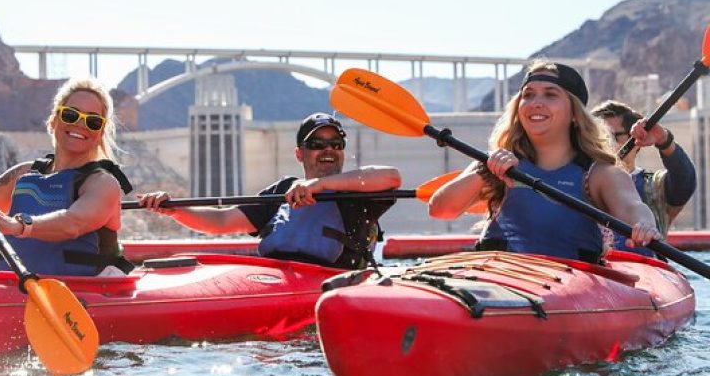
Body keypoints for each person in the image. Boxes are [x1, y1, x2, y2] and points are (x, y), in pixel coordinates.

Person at [428, 60, 660, 262]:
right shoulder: (497, 162)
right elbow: (440, 209)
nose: (536, 102)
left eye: (551, 94)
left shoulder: (599, 173)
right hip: (498, 277)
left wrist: (644, 226)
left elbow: (633, 208)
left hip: (568, 286)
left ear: (574, 114)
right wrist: (486, 173)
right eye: (528, 95)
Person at [0, 77, 134, 276]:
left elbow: (73, 224)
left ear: (100, 133)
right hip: (11, 289)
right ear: (53, 120)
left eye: (93, 121)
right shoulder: (24, 174)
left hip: (76, 298)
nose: (80, 124)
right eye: (71, 115)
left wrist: (15, 225)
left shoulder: (102, 183)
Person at [137, 112, 402, 269]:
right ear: (300, 154)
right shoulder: (283, 190)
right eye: (317, 143)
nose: (328, 149)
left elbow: (392, 177)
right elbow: (222, 221)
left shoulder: (357, 191)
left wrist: (319, 185)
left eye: (335, 143)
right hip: (275, 279)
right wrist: (175, 210)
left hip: (331, 283)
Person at [591, 100, 696, 254]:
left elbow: (684, 182)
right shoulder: (577, 179)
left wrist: (664, 140)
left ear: (636, 141)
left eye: (613, 136)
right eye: (597, 137)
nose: (604, 144)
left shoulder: (652, 184)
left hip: (643, 272)